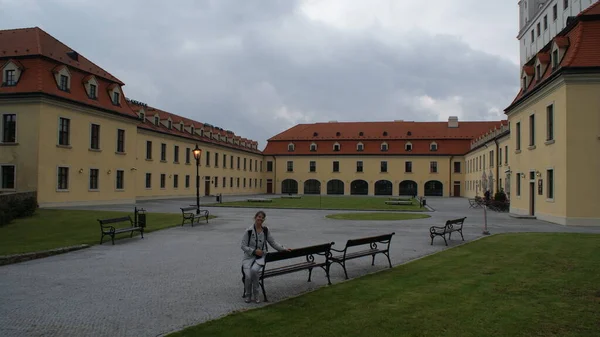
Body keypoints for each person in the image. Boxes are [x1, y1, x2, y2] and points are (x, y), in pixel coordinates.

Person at [241, 210, 291, 303]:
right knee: (248, 276)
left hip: (260, 257)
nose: (260, 218)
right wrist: (254, 251)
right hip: (249, 257)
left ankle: (256, 295)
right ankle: (248, 295)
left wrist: (284, 249)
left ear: (264, 219)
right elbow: (243, 246)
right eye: (258, 216)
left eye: (262, 217)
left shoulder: (265, 230)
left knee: (254, 271)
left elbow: (273, 242)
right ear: (255, 217)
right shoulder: (248, 231)